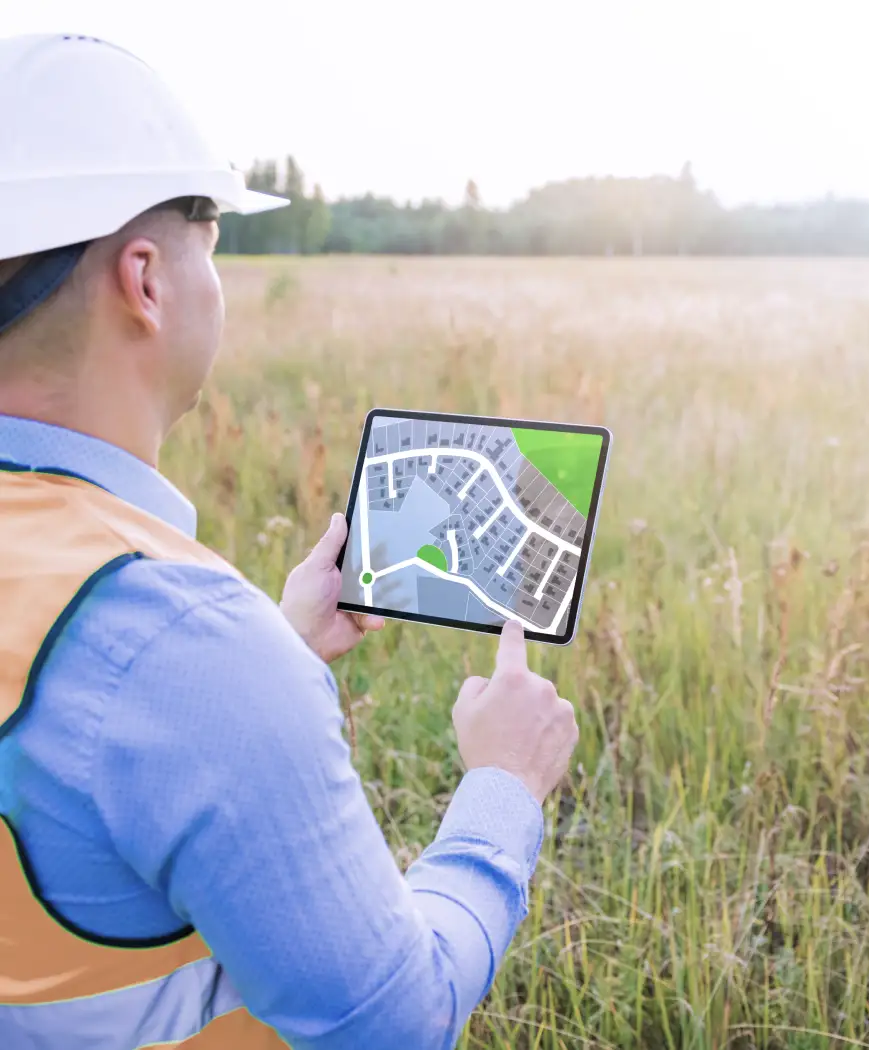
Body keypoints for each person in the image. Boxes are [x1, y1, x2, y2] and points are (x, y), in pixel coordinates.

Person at [0, 33, 580, 1050]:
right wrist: (505, 785)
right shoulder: (177, 643)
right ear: (144, 279)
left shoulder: (162, 646)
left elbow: (73, 768)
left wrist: (274, 646)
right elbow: (396, 1021)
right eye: (211, 238)